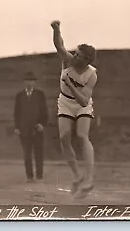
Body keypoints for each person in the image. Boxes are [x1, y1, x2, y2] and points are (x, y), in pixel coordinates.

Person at [50, 20, 97, 199]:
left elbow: (84, 101)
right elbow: (59, 45)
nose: (74, 56)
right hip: (65, 102)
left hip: (82, 104)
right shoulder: (68, 61)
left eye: (78, 55)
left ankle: (89, 180)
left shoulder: (91, 75)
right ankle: (77, 175)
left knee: (82, 136)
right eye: (75, 53)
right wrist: (56, 29)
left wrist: (70, 83)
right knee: (64, 137)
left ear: (86, 60)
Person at [14, 71, 48, 183]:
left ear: (34, 82)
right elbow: (16, 113)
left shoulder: (40, 94)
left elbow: (44, 111)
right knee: (27, 154)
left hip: (37, 129)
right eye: (27, 80)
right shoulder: (19, 96)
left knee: (38, 153)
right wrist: (17, 127)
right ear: (24, 82)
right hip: (24, 130)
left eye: (32, 81)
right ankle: (29, 176)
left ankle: (39, 176)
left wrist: (42, 124)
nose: (29, 83)